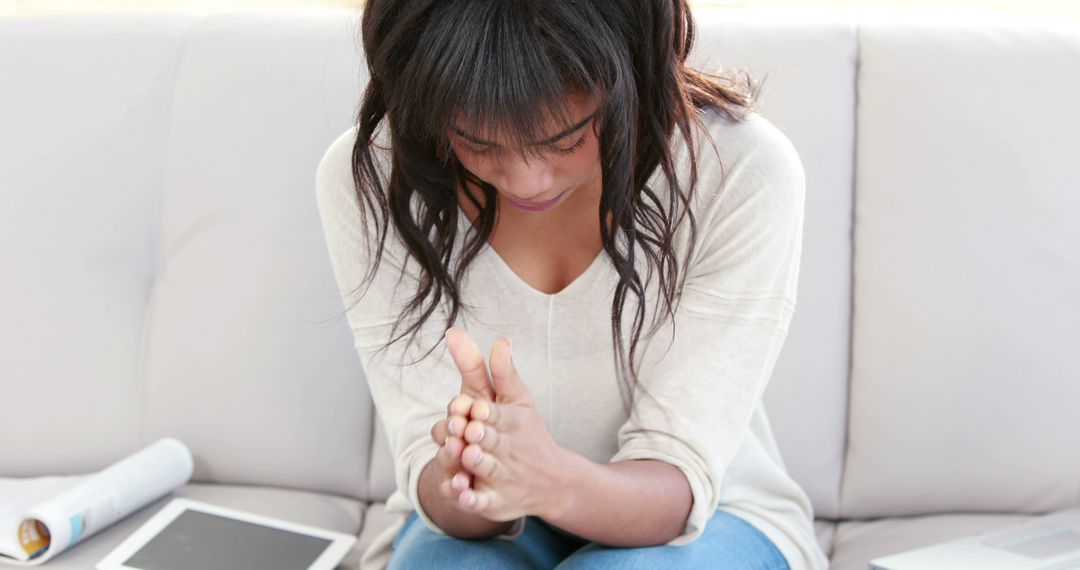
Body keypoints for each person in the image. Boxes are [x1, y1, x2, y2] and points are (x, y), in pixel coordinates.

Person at [315, 1, 829, 568]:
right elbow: (429, 474)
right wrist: (470, 476)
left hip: (709, 516)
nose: (526, 181)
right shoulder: (374, 180)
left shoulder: (738, 171)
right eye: (477, 143)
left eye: (564, 140)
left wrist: (549, 480)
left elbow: (680, 478)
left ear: (631, 70)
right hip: (489, 529)